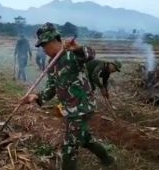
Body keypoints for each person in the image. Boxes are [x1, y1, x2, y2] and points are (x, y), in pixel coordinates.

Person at [20, 22, 115, 170]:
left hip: (81, 107)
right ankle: (108, 160)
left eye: (45, 45)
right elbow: (51, 87)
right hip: (70, 108)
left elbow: (90, 54)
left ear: (54, 41)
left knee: (69, 146)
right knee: (84, 139)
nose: (44, 50)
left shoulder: (73, 55)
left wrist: (77, 48)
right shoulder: (52, 63)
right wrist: (36, 97)